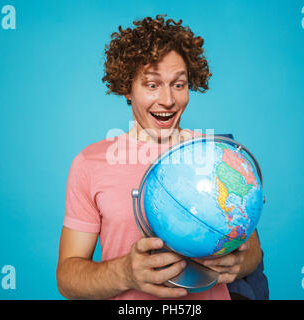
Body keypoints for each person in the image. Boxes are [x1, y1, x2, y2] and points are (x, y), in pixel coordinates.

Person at [56, 14, 265, 300]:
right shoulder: (89, 163)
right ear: (126, 88)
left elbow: (250, 246)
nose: (167, 100)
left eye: (178, 85)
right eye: (152, 85)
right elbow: (68, 278)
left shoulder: (217, 155)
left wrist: (242, 262)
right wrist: (125, 273)